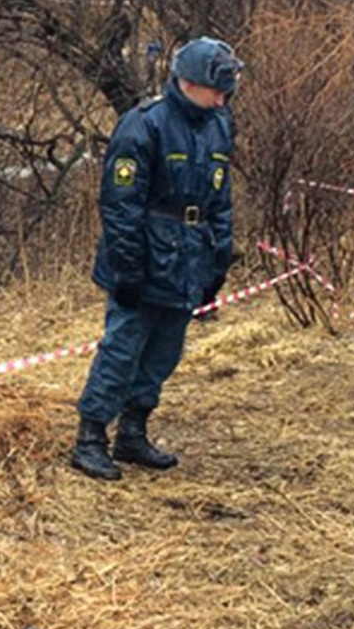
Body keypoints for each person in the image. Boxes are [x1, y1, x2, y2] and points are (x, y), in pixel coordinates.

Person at [70, 37, 241, 481]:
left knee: (165, 351)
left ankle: (133, 432)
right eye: (216, 89)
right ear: (188, 81)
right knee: (122, 350)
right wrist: (128, 269)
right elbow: (120, 206)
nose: (222, 99)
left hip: (189, 258)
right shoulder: (143, 126)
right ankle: (91, 437)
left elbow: (219, 199)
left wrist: (218, 261)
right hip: (146, 257)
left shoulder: (220, 125)